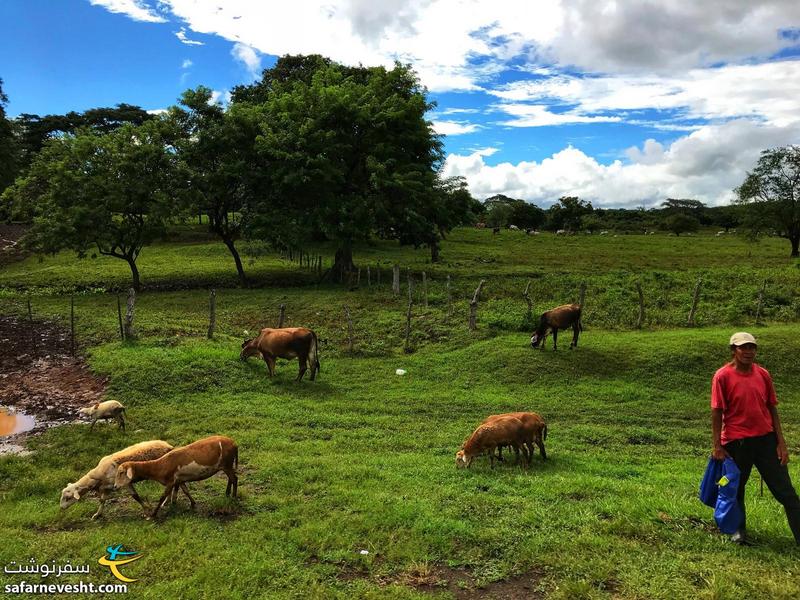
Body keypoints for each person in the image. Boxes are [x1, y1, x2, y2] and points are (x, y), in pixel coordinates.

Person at [711, 331, 800, 545]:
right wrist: (717, 446)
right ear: (734, 350)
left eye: (752, 347)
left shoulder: (763, 374)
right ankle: (738, 532)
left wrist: (781, 443)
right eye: (743, 347)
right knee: (736, 489)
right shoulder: (722, 376)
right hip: (736, 443)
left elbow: (772, 408)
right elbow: (717, 412)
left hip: (765, 441)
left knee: (786, 492)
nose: (748, 351)